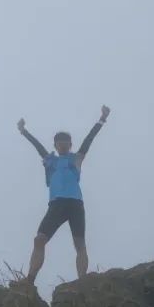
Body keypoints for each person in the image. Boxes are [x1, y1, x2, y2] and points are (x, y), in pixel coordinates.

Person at [16, 105, 110, 284]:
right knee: (39, 240)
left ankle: (82, 282)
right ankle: (29, 280)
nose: (62, 144)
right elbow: (38, 147)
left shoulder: (76, 159)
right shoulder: (51, 161)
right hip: (57, 204)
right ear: (56, 145)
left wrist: (102, 119)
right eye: (59, 142)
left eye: (66, 142)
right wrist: (24, 131)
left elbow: (88, 140)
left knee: (80, 244)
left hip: (75, 204)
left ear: (70, 145)